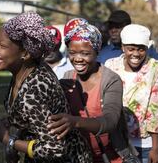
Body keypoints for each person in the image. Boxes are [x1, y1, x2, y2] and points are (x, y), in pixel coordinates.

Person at [0, 12, 92, 163]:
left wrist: (9, 141)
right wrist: (12, 120)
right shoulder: (27, 71)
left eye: (2, 45)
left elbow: (54, 149)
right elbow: (36, 118)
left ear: (25, 54)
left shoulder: (34, 90)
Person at [47, 22, 138, 163]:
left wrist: (75, 122)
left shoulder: (111, 80)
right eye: (72, 53)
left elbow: (110, 121)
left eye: (85, 53)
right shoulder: (67, 78)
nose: (77, 58)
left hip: (110, 156)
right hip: (78, 156)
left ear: (97, 51)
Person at [105, 24, 158, 163]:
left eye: (141, 49)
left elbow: (157, 109)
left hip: (143, 143)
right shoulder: (111, 65)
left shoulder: (157, 68)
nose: (136, 54)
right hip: (116, 140)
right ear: (122, 47)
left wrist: (155, 147)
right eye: (130, 49)